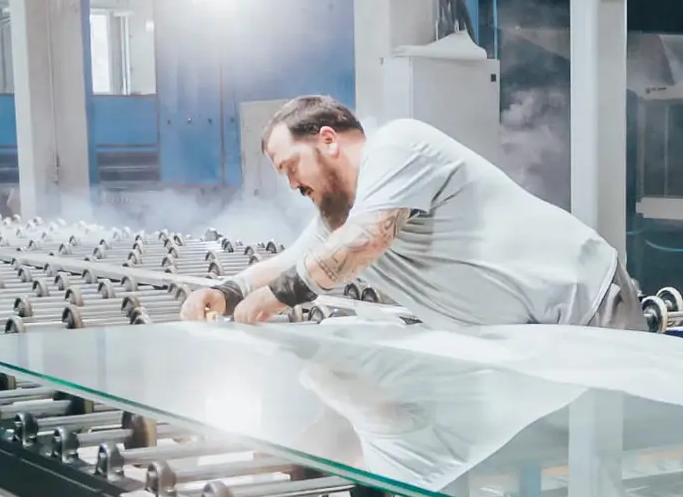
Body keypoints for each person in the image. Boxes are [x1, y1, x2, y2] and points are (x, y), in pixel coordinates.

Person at [183, 95, 624, 326]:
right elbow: (295, 260)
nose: (292, 184)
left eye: (291, 166)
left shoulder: (397, 144)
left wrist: (281, 296)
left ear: (328, 140)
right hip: (531, 340)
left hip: (587, 306)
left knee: (618, 459)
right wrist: (227, 293)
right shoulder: (342, 216)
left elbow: (366, 240)